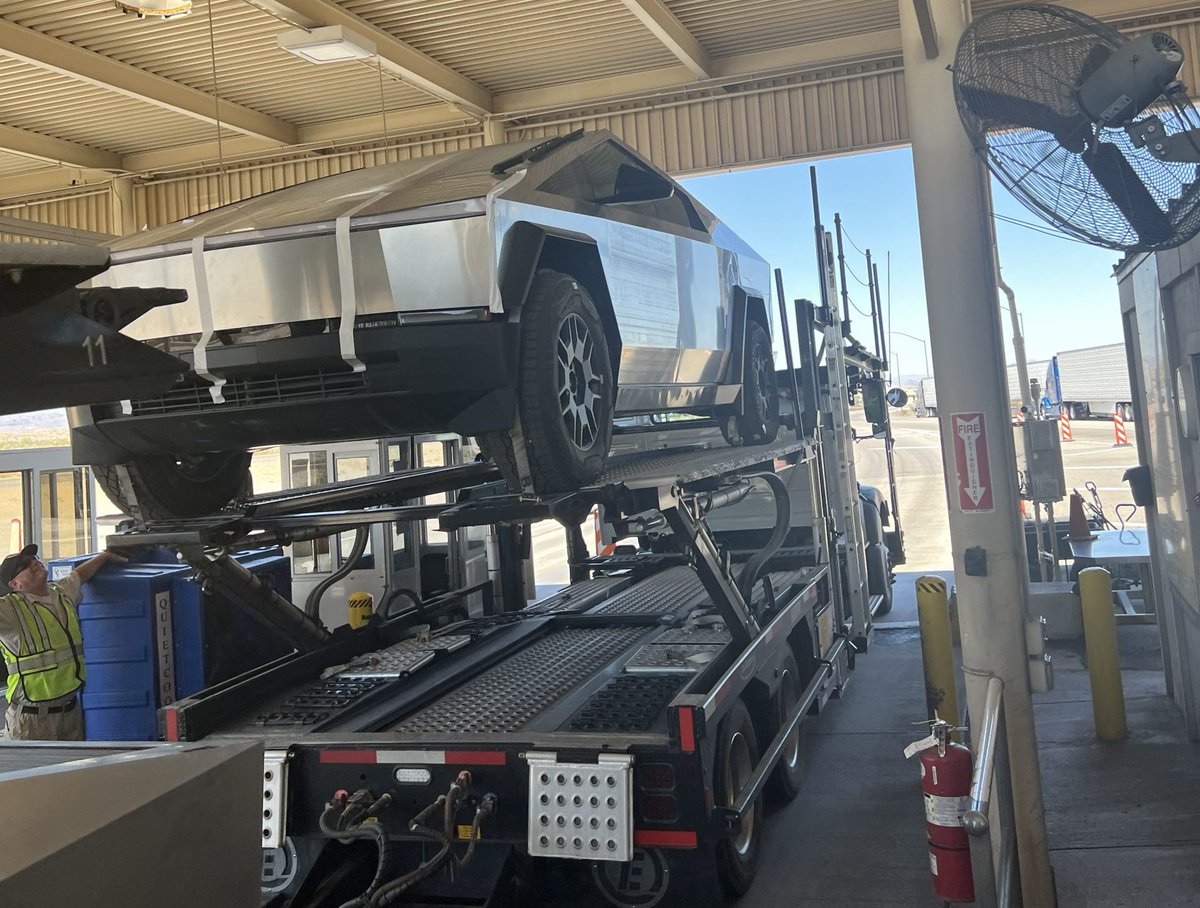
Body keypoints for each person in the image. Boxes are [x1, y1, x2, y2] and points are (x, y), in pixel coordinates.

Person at [0, 544, 126, 740]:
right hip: (32, 721)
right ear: (14, 585)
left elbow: (79, 575)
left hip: (70, 713)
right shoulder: (9, 610)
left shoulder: (60, 593)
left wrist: (105, 557)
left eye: (34, 558)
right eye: (24, 565)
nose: (34, 562)